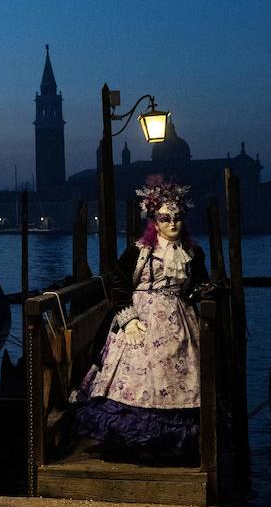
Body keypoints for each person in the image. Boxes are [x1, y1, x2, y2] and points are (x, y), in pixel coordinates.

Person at [73, 176, 210, 461]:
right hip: (142, 320)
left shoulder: (192, 253)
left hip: (179, 321)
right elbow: (119, 283)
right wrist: (128, 318)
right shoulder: (140, 250)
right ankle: (133, 441)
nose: (172, 224)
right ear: (154, 222)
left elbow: (198, 285)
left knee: (180, 375)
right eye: (165, 219)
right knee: (137, 373)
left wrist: (206, 292)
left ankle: (172, 443)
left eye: (177, 218)